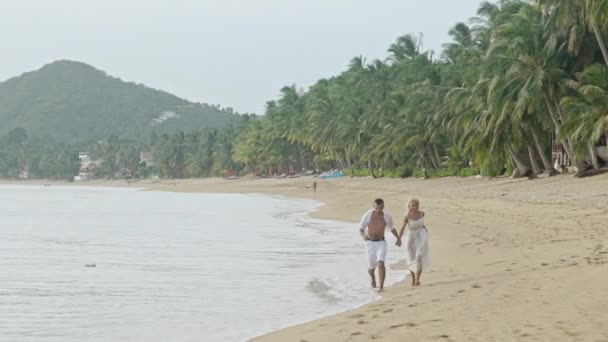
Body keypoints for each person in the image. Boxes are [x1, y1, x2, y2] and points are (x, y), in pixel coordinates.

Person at [359, 198, 401, 291]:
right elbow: (361, 229)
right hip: (370, 243)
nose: (379, 210)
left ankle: (381, 287)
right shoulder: (368, 215)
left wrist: (398, 238)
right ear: (374, 207)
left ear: (383, 206)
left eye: (381, 208)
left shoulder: (387, 216)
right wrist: (364, 237)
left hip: (381, 242)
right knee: (371, 267)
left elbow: (392, 228)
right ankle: (373, 279)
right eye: (377, 208)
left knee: (381, 263)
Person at [398, 198, 431, 287]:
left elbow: (421, 223)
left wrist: (425, 228)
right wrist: (399, 239)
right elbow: (402, 228)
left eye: (416, 205)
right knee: (411, 259)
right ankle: (413, 279)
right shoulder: (407, 216)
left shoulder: (422, 213)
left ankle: (417, 280)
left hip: (421, 236)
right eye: (413, 205)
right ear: (410, 206)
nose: (415, 207)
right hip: (411, 237)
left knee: (419, 257)